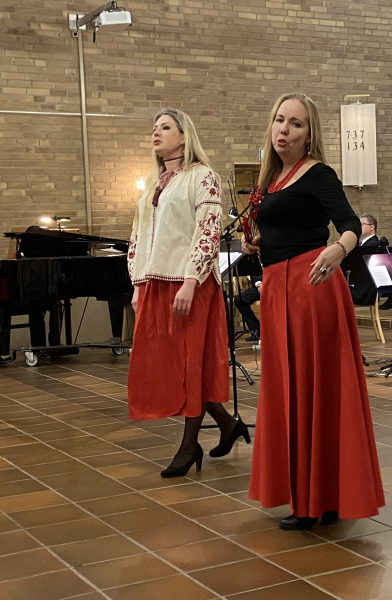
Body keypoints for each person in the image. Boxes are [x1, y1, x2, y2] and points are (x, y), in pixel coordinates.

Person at [243, 93, 384, 531]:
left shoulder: (318, 173)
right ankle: (314, 495)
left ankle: (318, 498)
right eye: (279, 120)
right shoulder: (271, 180)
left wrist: (338, 250)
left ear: (309, 134)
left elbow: (350, 224)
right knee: (290, 390)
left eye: (296, 123)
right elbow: (284, 229)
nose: (284, 129)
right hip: (278, 289)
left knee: (314, 390)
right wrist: (258, 243)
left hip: (311, 286)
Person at [126, 108, 248, 479]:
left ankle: (189, 445)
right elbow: (138, 235)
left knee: (190, 363)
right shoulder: (154, 183)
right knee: (170, 364)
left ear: (183, 136)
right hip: (157, 282)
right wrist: (138, 283)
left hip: (190, 283)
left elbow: (208, 231)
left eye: (165, 127)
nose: (156, 133)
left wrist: (191, 279)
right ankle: (228, 425)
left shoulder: (203, 176)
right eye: (154, 128)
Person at [347, 214, 380, 306]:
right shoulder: (363, 244)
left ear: (372, 227)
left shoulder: (372, 246)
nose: (358, 228)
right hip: (360, 287)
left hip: (365, 291)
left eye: (361, 224)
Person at [234, 276, 261, 341]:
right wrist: (259, 284)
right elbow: (254, 273)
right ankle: (256, 330)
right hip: (259, 286)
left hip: (275, 284)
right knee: (239, 299)